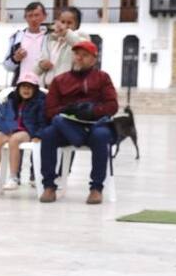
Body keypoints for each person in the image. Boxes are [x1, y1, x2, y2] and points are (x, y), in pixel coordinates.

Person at [38, 40, 117, 205]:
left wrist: (92, 111)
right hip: (67, 126)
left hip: (95, 125)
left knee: (101, 136)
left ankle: (96, 188)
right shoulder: (60, 80)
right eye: (77, 54)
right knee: (48, 134)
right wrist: (68, 109)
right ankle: (49, 186)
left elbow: (112, 106)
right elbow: (50, 110)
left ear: (94, 59)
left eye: (85, 55)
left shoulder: (102, 78)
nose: (79, 58)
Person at [0, 72, 44, 197]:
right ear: (18, 88)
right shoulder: (12, 99)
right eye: (23, 86)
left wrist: (38, 134)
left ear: (35, 89)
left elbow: (42, 121)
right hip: (10, 129)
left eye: (30, 87)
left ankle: (13, 177)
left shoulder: (39, 102)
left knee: (14, 140)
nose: (26, 90)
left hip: (27, 131)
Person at [36, 6, 84, 88]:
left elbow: (82, 46)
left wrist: (66, 33)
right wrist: (41, 65)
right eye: (62, 22)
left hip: (66, 90)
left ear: (77, 25)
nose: (65, 25)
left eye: (69, 23)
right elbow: (37, 66)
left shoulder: (80, 37)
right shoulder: (50, 40)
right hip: (45, 89)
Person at [3, 1, 47, 86]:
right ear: (25, 18)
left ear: (44, 16)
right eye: (30, 16)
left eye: (36, 15)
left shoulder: (50, 37)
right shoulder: (16, 38)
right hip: (21, 88)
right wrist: (15, 59)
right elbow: (7, 66)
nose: (33, 19)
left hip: (43, 87)